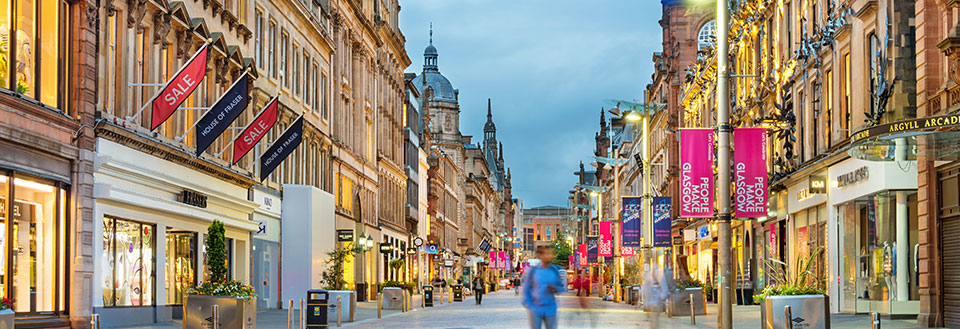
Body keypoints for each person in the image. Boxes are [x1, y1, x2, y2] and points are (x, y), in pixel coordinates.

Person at [522, 246, 566, 329]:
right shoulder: (534, 271)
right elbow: (526, 288)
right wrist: (529, 304)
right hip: (536, 308)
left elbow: (561, 287)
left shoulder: (554, 270)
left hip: (551, 308)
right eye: (547, 253)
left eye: (550, 253)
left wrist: (555, 288)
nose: (549, 256)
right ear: (540, 256)